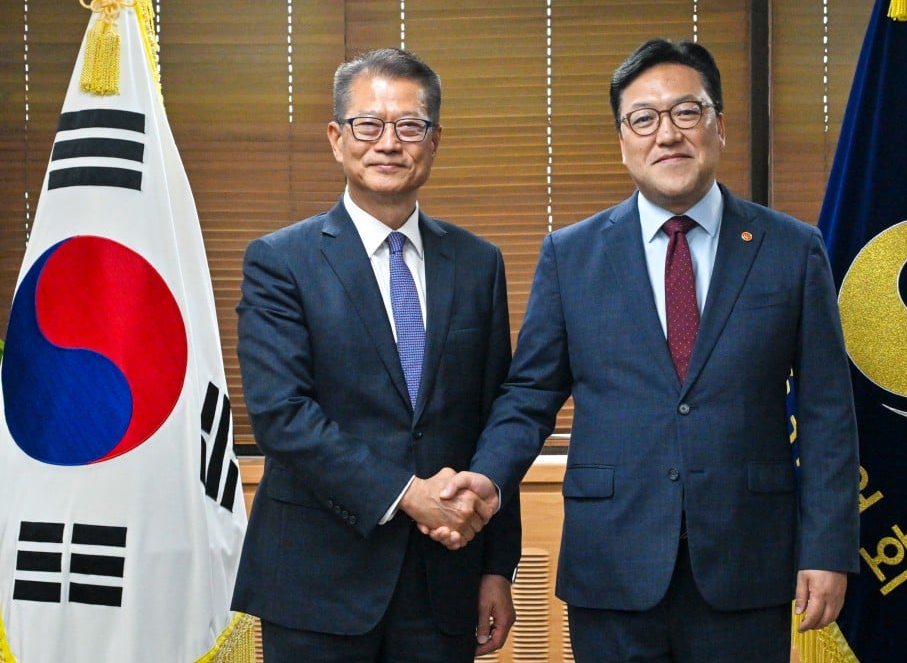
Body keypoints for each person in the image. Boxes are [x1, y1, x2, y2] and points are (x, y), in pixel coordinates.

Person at [436, 38, 860, 662]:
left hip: (748, 563)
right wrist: (489, 478)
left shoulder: (792, 250)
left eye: (686, 112)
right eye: (644, 118)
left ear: (719, 126)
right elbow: (530, 395)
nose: (667, 134)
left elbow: (828, 411)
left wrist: (827, 548)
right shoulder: (572, 255)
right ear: (623, 140)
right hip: (613, 562)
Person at [230, 48, 520, 662]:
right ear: (337, 139)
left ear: (434, 142)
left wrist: (497, 567)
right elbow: (282, 415)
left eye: (410, 126)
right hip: (317, 582)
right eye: (368, 125)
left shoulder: (478, 264)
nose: (389, 143)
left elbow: (495, 417)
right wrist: (407, 493)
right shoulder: (280, 261)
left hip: (445, 580)